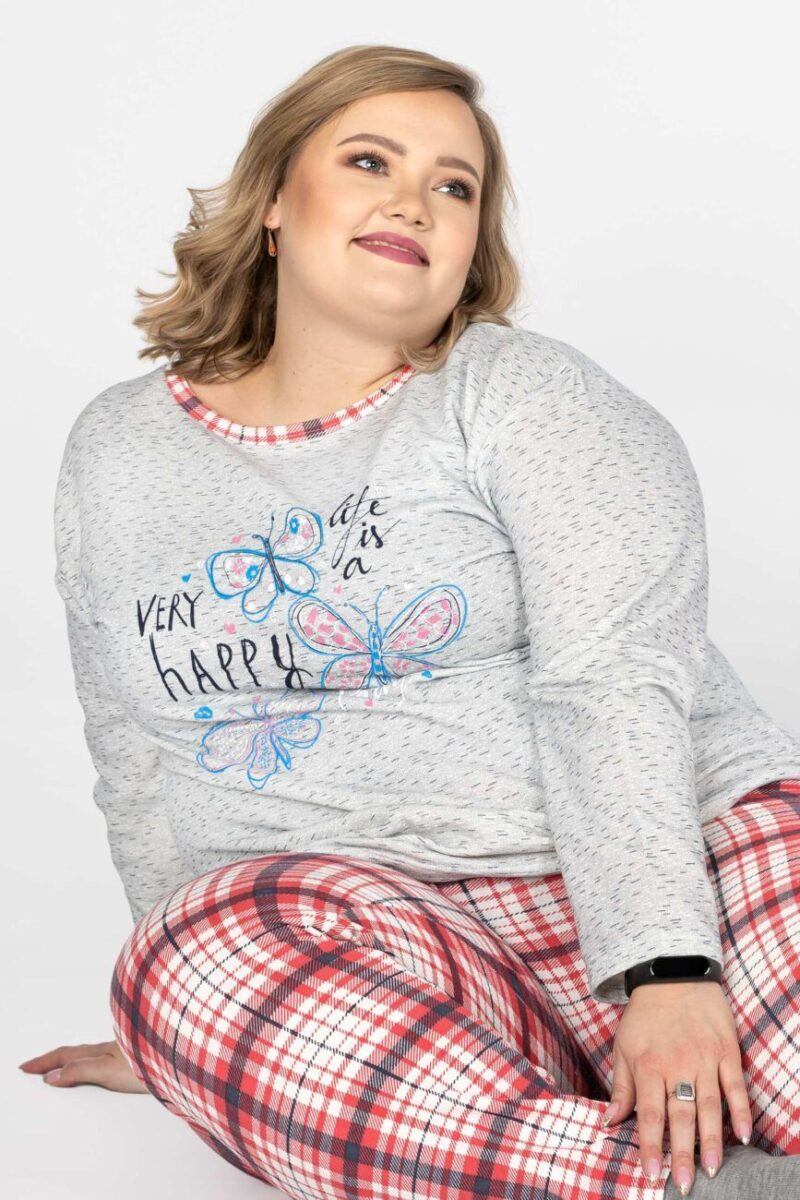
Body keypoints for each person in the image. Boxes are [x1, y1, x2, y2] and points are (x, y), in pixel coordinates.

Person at [21, 43, 800, 1200]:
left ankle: (584, 1154)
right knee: (184, 961)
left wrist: (667, 970)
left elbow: (613, 680)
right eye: (369, 161)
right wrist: (189, 1028)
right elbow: (135, 750)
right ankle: (700, 1187)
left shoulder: (522, 396)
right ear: (274, 199)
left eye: (453, 185)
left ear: (471, 242)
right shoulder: (115, 451)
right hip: (385, 938)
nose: (412, 201)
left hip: (685, 873)